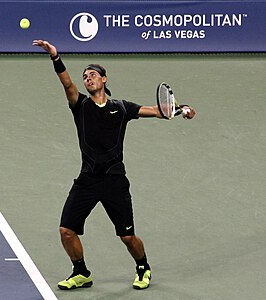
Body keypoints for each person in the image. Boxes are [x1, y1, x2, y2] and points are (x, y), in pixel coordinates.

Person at [32, 39, 196, 291]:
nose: (88, 78)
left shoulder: (121, 108)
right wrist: (55, 57)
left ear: (104, 79)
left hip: (114, 181)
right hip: (87, 179)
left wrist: (180, 108)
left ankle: (143, 266)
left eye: (93, 74)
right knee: (66, 230)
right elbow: (67, 84)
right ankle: (81, 272)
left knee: (127, 236)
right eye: (85, 76)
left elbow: (156, 110)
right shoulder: (80, 106)